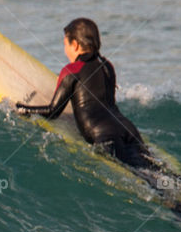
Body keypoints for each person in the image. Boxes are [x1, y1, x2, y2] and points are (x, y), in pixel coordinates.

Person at [15, 18, 155, 169]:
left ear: (75, 44)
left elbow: (52, 112)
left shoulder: (72, 70)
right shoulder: (107, 66)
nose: (65, 50)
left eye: (65, 45)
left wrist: (22, 109)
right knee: (157, 173)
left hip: (106, 137)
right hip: (127, 129)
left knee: (142, 178)